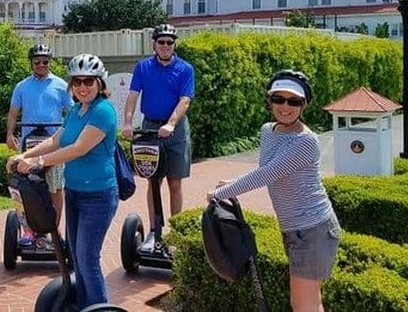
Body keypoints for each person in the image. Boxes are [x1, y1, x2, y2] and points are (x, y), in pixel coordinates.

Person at [208, 70, 340, 312]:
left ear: (304, 105)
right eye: (278, 99)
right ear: (269, 101)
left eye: (294, 101)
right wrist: (231, 183)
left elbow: (266, 175)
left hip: (312, 230)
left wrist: (221, 193)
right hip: (294, 229)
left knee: (303, 306)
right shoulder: (268, 131)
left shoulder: (306, 142)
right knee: (310, 303)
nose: (285, 107)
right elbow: (269, 169)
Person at [7, 53, 119, 309]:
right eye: (77, 81)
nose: (82, 87)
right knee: (76, 258)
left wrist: (39, 163)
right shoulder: (77, 111)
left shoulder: (103, 111)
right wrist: (25, 154)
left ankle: (99, 307)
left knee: (87, 257)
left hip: (98, 196)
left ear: (100, 83)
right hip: (75, 193)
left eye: (88, 82)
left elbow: (79, 148)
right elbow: (56, 139)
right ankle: (82, 305)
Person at [122, 23, 194, 249]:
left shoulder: (185, 69)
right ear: (154, 44)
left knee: (175, 182)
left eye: (169, 42)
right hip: (150, 127)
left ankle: (175, 233)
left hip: (176, 129)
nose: (165, 46)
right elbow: (133, 96)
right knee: (153, 182)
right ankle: (154, 231)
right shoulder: (143, 67)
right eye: (161, 42)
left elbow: (185, 100)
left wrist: (171, 124)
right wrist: (127, 122)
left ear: (174, 45)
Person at [5, 43, 72, 245]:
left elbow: (70, 113)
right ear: (31, 63)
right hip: (29, 145)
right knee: (25, 189)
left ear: (49, 62)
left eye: (45, 61)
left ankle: (54, 231)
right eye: (37, 62)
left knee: (55, 189)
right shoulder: (22, 86)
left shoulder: (61, 85)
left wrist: (70, 135)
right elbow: (13, 113)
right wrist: (9, 134)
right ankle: (28, 231)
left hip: (53, 146)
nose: (41, 65)